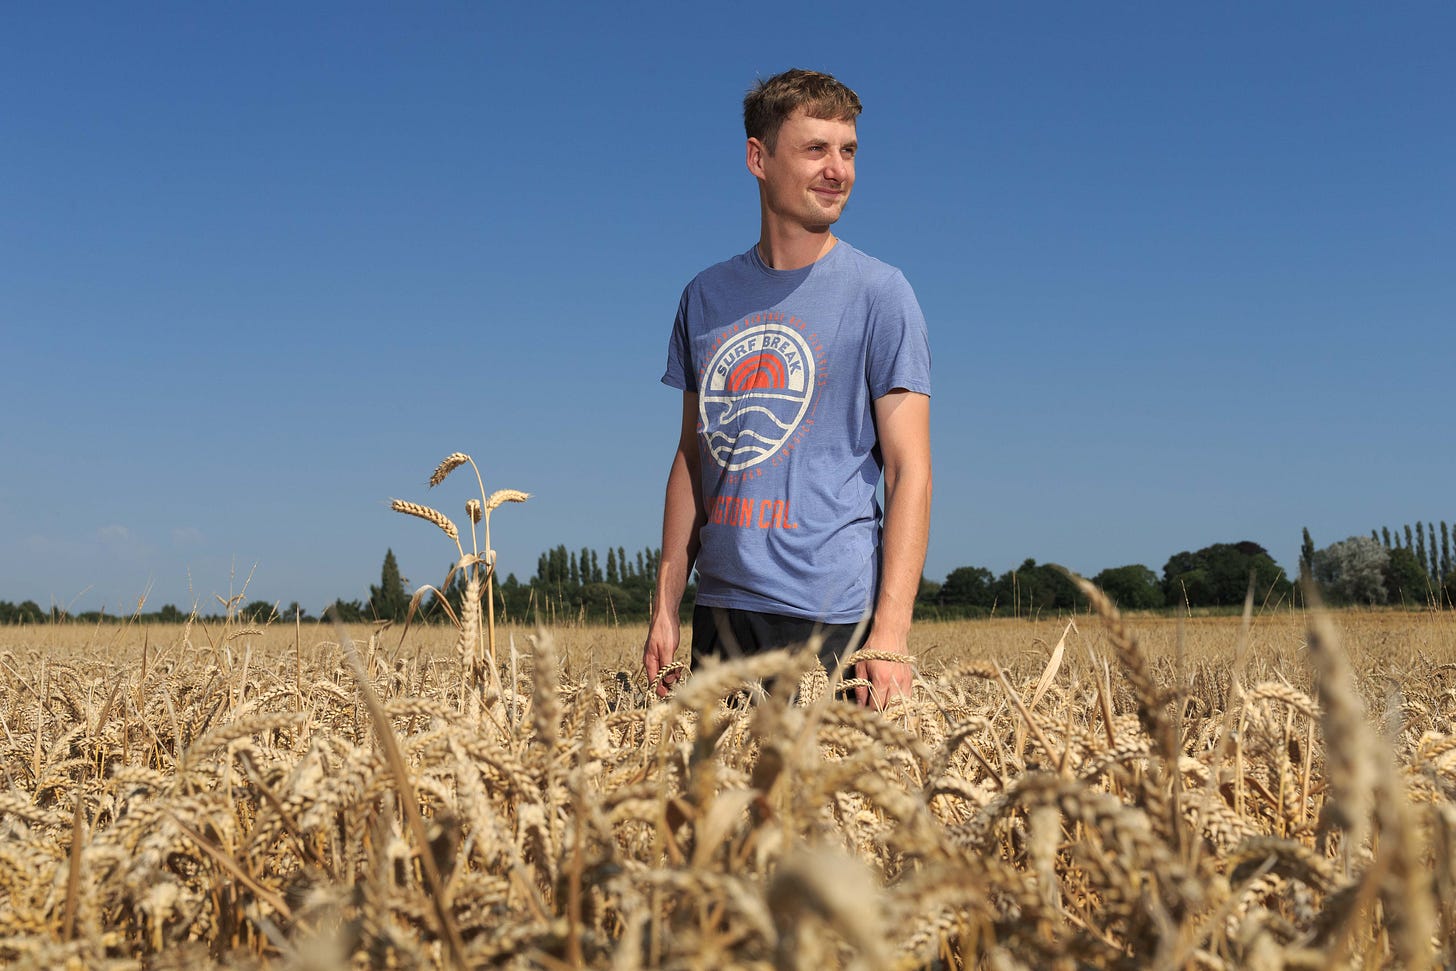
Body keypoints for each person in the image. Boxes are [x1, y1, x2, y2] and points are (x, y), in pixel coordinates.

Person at [642, 68, 932, 709]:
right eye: (815, 149)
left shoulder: (881, 294)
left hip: (830, 619)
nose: (838, 170)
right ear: (758, 157)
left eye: (848, 150)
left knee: (828, 807)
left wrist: (889, 635)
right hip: (721, 609)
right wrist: (666, 604)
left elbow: (910, 469)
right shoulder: (705, 297)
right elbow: (693, 455)